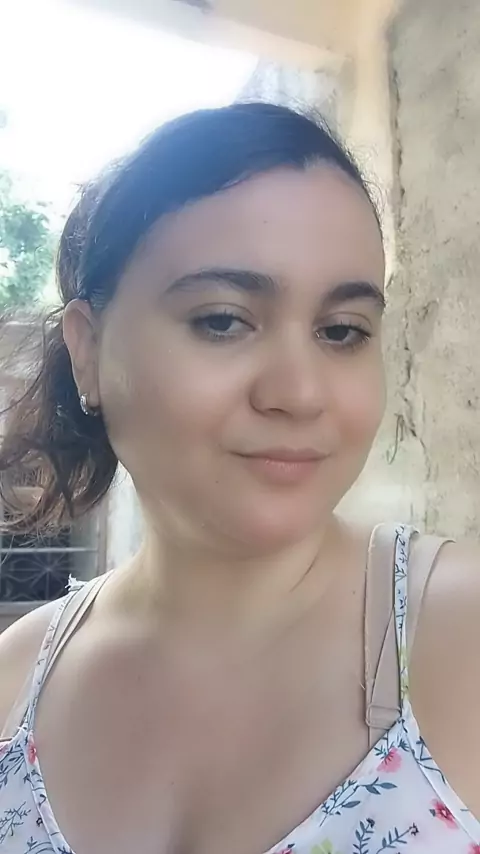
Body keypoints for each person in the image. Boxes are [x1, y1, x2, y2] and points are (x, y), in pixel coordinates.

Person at [0, 102, 478, 854]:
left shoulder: (463, 634)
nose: (300, 392)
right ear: (88, 351)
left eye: (342, 331)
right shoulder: (15, 682)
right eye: (222, 321)